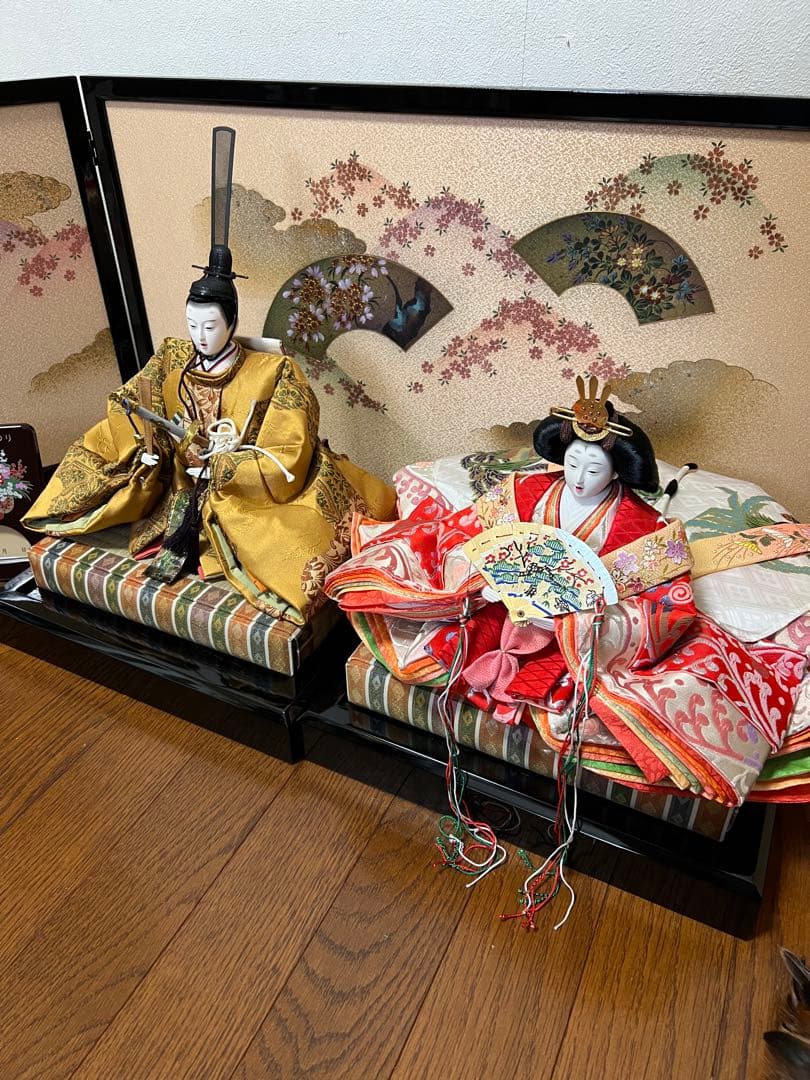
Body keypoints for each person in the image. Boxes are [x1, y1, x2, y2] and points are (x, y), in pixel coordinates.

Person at [325, 378, 804, 805]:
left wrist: (586, 621)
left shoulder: (647, 529)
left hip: (579, 636)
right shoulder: (525, 492)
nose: (578, 478)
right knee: (443, 627)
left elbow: (668, 608)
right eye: (572, 463)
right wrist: (484, 581)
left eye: (593, 469)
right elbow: (466, 535)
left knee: (630, 690)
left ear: (616, 472)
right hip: (502, 610)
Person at [23, 128, 395, 625]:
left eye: (211, 326)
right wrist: (150, 441)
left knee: (298, 544)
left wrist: (223, 464)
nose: (199, 336)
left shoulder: (275, 371)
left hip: (238, 491)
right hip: (176, 483)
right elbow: (128, 404)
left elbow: (289, 450)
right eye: (192, 324)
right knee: (103, 467)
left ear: (233, 323)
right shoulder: (172, 358)